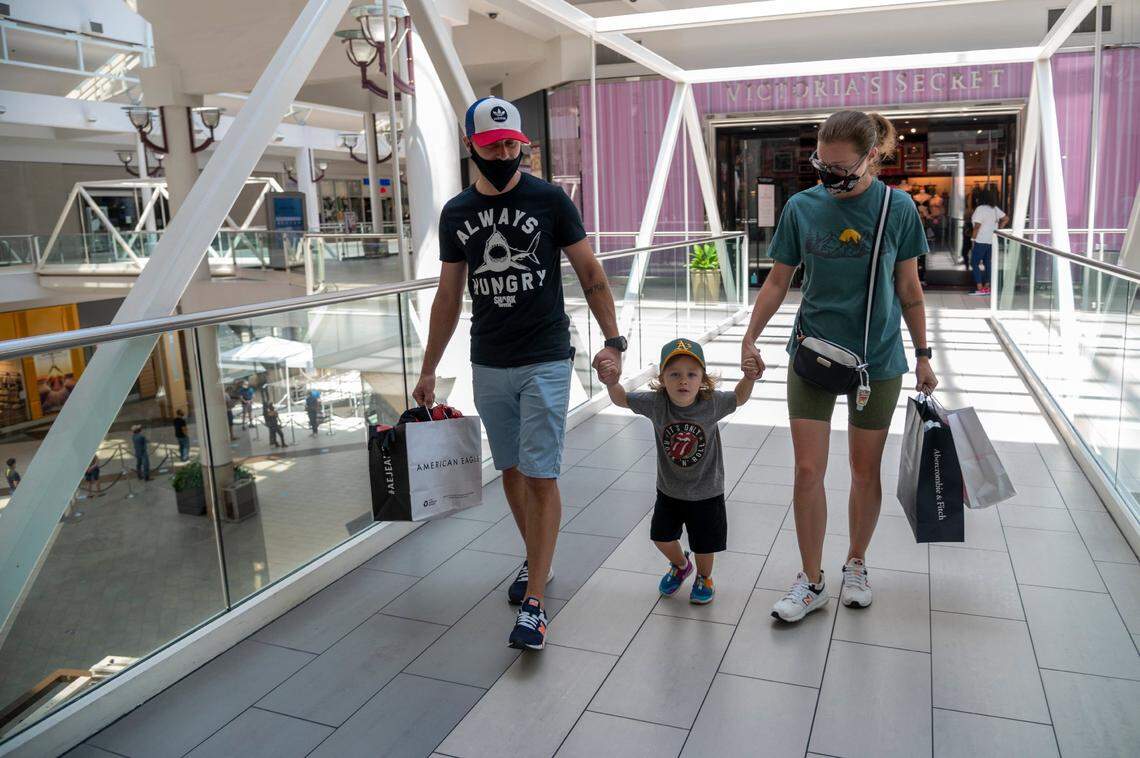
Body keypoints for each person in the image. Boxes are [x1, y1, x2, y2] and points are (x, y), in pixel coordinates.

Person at [412, 96, 623, 651]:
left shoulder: (550, 200)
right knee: (509, 470)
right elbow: (448, 295)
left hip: (548, 356)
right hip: (490, 360)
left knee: (540, 474)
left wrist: (614, 339)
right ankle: (537, 563)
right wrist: (429, 366)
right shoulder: (457, 213)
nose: (505, 153)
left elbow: (590, 272)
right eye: (493, 146)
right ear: (471, 148)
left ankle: (534, 602)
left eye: (513, 145)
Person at [740, 109, 938, 623]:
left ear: (872, 158)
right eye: (820, 166)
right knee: (808, 468)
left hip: (878, 360)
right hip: (811, 353)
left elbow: (910, 290)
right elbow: (779, 281)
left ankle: (856, 563)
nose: (827, 179)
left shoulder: (898, 209)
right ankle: (810, 580)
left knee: (863, 468)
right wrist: (750, 336)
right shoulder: (802, 207)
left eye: (840, 170)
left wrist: (922, 354)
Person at [599, 339, 760, 604]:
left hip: (707, 491)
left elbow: (739, 397)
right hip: (669, 490)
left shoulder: (711, 403)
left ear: (702, 380)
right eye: (674, 374)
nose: (683, 381)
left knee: (705, 545)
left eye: (691, 374)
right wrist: (611, 382)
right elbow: (621, 400)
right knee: (661, 537)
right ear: (662, 379)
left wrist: (748, 377)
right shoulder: (657, 404)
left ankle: (704, 577)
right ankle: (681, 565)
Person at [970, 188, 1007, 295]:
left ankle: (980, 287)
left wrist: (973, 240)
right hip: (992, 240)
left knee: (974, 263)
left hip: (981, 240)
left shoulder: (980, 209)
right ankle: (987, 286)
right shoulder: (994, 209)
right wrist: (997, 230)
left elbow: (977, 226)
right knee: (987, 263)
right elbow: (1006, 218)